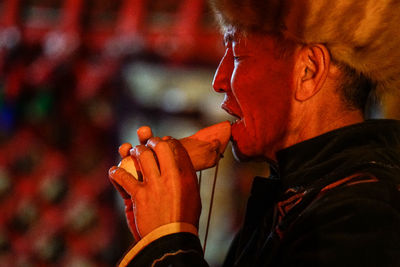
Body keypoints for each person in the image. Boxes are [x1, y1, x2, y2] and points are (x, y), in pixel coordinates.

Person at [109, 0, 400, 266]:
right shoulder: (293, 198)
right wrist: (156, 231)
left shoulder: (361, 218)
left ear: (308, 71)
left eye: (237, 56)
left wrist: (168, 242)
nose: (219, 81)